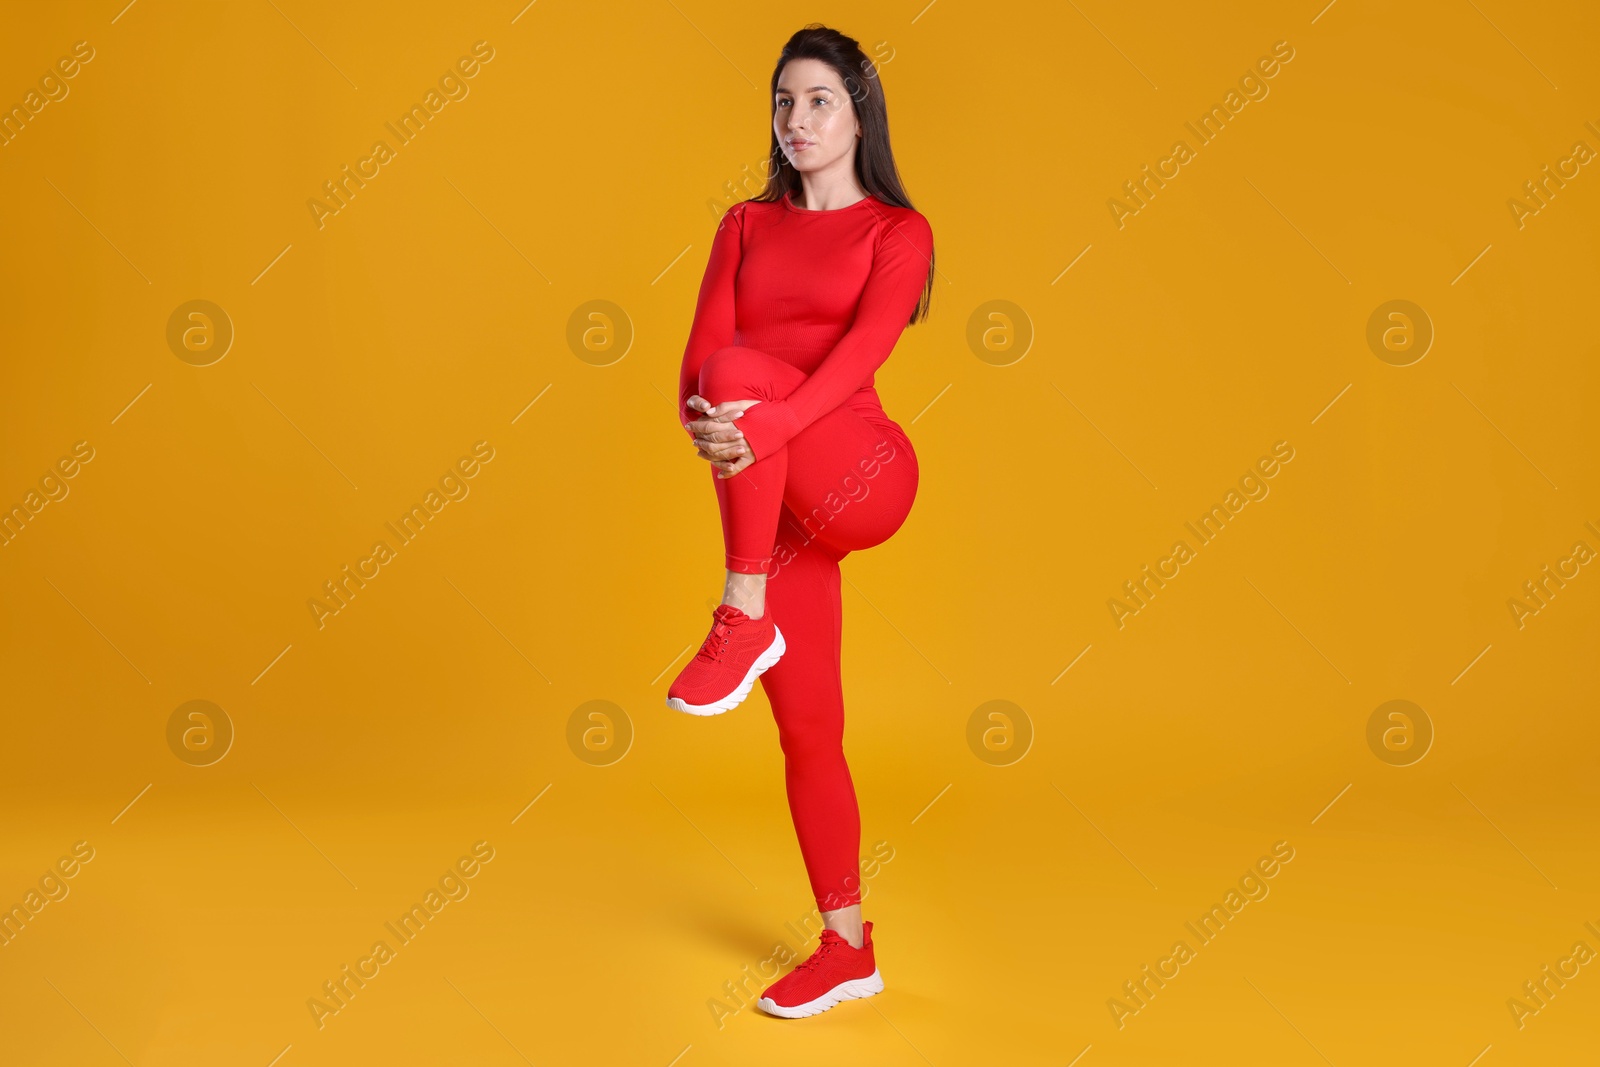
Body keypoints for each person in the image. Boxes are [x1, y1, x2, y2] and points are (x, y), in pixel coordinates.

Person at [665, 23, 935, 1019]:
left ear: (858, 112)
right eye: (783, 100)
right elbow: (697, 362)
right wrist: (713, 429)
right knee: (809, 726)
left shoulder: (897, 232)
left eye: (818, 99)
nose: (796, 119)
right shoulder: (742, 223)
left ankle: (742, 611)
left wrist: (754, 413)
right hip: (771, 491)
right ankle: (847, 942)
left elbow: (861, 352)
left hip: (860, 468)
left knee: (736, 375)